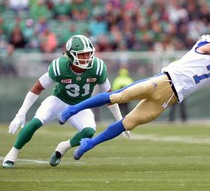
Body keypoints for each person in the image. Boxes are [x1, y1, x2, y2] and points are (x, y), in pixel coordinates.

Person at [58, 34, 210, 160]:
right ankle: (72, 109)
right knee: (118, 96)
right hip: (162, 82)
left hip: (169, 100)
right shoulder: (203, 47)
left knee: (129, 123)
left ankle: (90, 144)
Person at [2, 34, 129, 168]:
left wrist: (120, 121)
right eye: (82, 55)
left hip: (81, 104)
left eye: (88, 54)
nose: (86, 58)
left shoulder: (97, 67)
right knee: (35, 122)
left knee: (89, 131)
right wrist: (21, 113)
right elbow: (37, 88)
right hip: (59, 100)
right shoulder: (59, 67)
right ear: (71, 55)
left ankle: (63, 147)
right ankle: (13, 153)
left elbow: (109, 96)